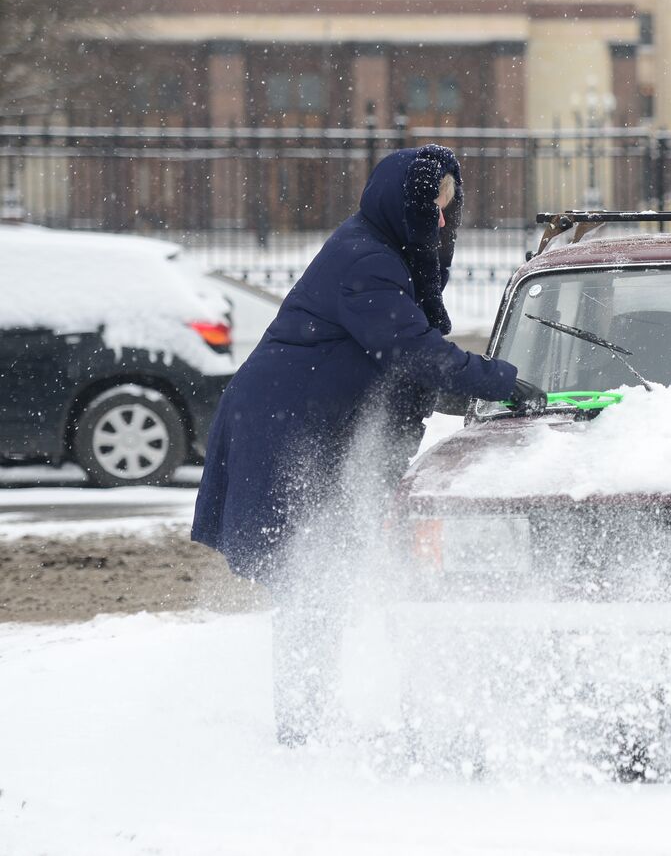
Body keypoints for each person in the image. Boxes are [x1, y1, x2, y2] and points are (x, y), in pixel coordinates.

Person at [191, 144, 545, 745]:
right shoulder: (367, 261)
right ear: (403, 205)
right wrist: (502, 381)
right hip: (287, 431)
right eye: (431, 208)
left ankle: (315, 715)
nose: (439, 221)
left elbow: (407, 361)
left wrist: (476, 390)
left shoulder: (389, 250)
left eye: (447, 211)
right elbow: (412, 352)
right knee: (310, 580)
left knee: (335, 571)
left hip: (318, 428)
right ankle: (301, 730)